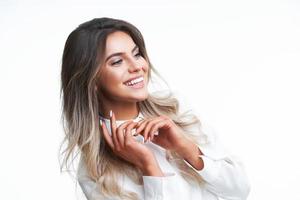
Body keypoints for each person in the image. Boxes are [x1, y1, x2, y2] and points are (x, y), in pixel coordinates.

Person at [60, 17, 250, 200]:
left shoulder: (175, 108)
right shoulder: (95, 170)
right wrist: (148, 165)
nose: (137, 66)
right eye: (117, 61)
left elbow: (240, 190)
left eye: (136, 54)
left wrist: (186, 148)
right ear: (91, 81)